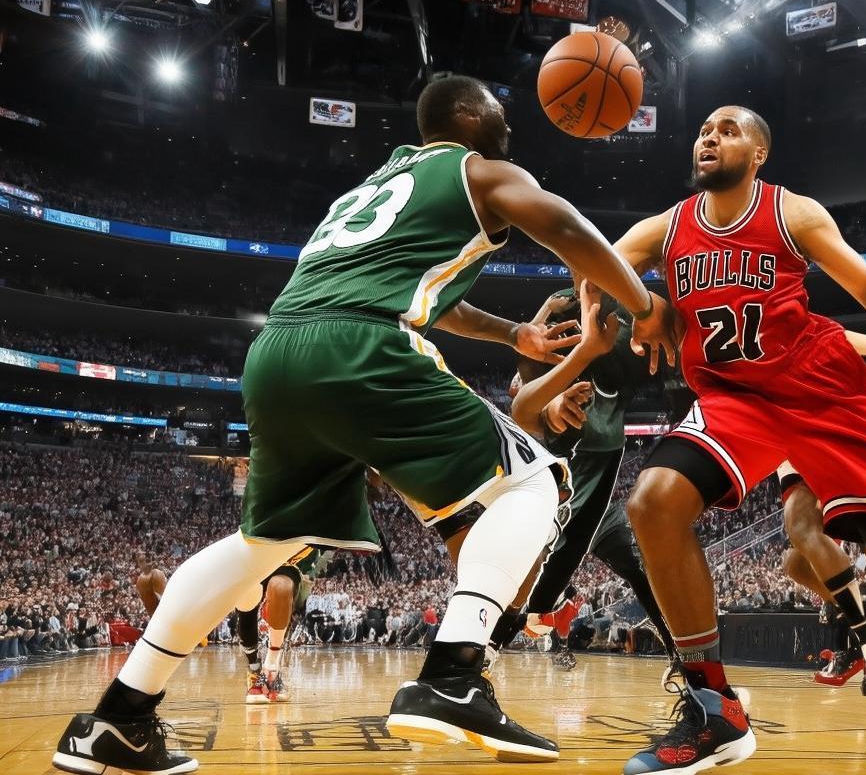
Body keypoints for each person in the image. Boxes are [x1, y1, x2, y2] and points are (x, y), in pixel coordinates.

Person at [53, 75, 673, 775]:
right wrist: (642, 303)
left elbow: (434, 299)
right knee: (537, 480)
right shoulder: (477, 169)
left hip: (276, 354)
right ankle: (454, 675)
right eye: (498, 111)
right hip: (359, 346)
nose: (509, 123)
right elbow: (564, 226)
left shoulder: (374, 186)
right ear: (466, 116)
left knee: (265, 544)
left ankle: (121, 715)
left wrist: (512, 335)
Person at [613, 106, 866, 774]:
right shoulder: (667, 227)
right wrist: (639, 307)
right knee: (653, 503)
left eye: (728, 129)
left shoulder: (791, 213)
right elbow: (597, 263)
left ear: (759, 154)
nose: (709, 137)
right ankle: (715, 711)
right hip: (737, 399)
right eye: (704, 130)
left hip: (824, 393)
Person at [486, 282, 675, 671]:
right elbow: (525, 389)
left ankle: (683, 657)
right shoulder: (540, 388)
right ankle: (481, 655)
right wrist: (544, 312)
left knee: (639, 571)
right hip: (558, 495)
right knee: (527, 582)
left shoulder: (608, 363)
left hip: (596, 501)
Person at [780, 330, 866, 696]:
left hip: (833, 433)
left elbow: (859, 341)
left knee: (801, 528)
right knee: (795, 564)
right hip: (784, 440)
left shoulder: (794, 329)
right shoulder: (732, 356)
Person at [235, 547, 319, 704]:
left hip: (290, 555)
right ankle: (254, 669)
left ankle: (272, 667)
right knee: (247, 597)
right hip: (256, 552)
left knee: (281, 588)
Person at [134, 553, 167, 620]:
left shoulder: (156, 573)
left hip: (159, 609)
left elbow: (161, 594)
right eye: (140, 562)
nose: (141, 565)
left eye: (143, 561)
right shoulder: (140, 579)